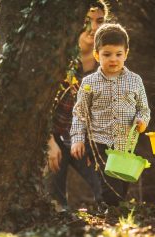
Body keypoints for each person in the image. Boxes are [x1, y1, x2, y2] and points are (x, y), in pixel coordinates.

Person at [70, 23, 150, 206]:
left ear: (126, 54)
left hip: (125, 143)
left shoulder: (135, 80)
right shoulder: (90, 82)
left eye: (118, 54)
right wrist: (77, 139)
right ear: (97, 55)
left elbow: (144, 109)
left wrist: (142, 121)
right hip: (99, 142)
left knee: (122, 185)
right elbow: (80, 113)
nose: (113, 59)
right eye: (107, 54)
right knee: (108, 185)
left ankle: (114, 215)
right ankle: (108, 213)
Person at [47, 0, 109, 208]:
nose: (94, 28)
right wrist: (49, 143)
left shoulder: (107, 63)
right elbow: (39, 110)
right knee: (55, 203)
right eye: (87, 21)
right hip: (52, 138)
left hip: (81, 139)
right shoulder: (59, 58)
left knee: (108, 192)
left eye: (99, 21)